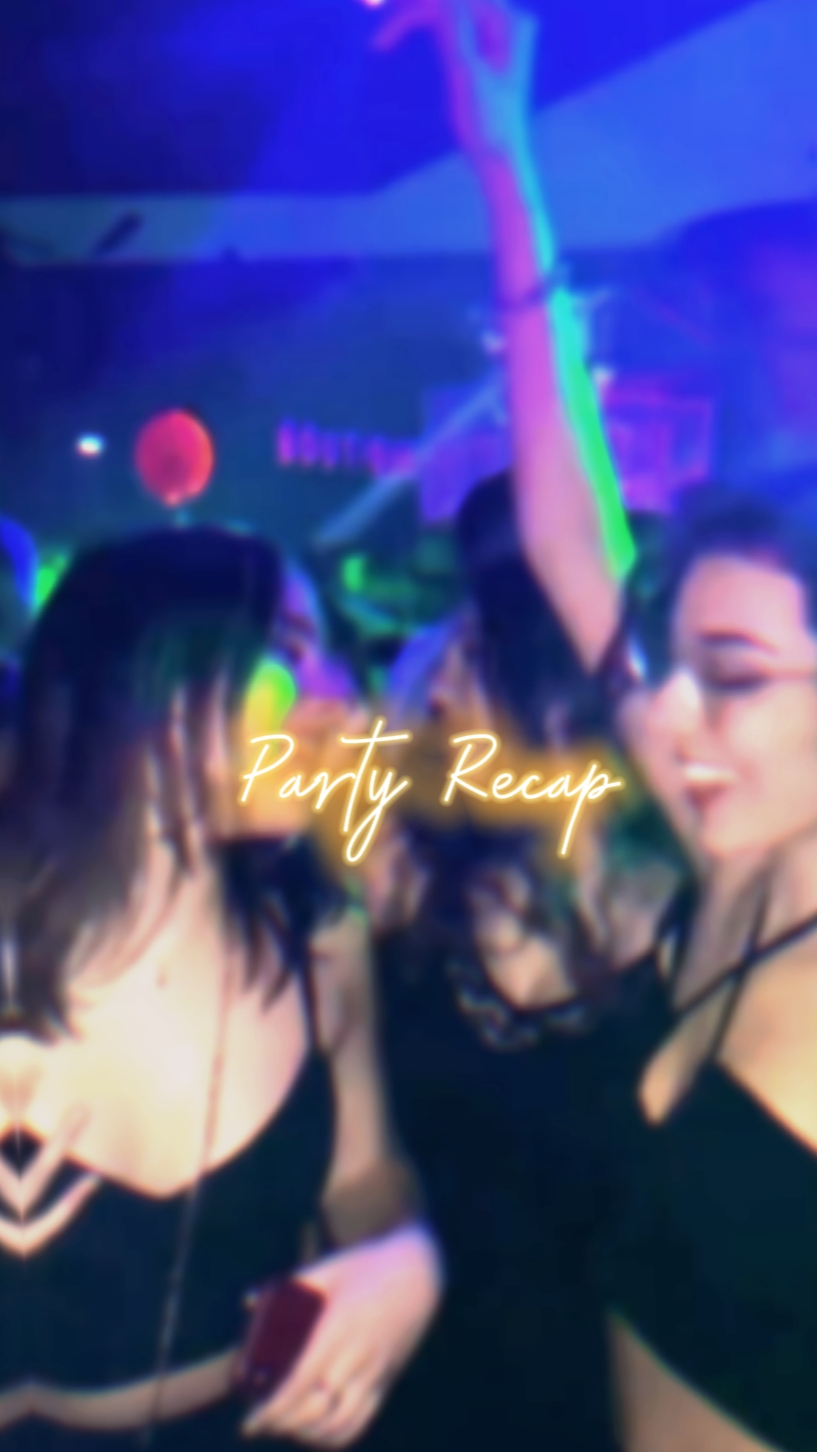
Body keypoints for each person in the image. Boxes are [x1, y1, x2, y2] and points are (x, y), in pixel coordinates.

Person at [376, 3, 817, 1449]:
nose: (666, 712)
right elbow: (571, 544)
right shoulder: (725, 854)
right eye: (669, 664)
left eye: (732, 676)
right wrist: (504, 165)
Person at [0, 527, 441, 1449]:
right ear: (159, 691)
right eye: (289, 653)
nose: (341, 699)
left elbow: (365, 1173)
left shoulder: (321, 941)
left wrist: (406, 1255)